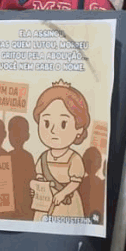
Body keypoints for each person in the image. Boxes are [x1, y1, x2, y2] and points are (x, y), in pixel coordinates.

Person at [30, 80, 90, 220]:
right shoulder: (43, 158)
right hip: (45, 204)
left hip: (67, 204)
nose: (52, 130)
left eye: (63, 124)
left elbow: (75, 182)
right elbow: (40, 177)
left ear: (79, 129)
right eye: (46, 123)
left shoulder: (74, 159)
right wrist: (37, 189)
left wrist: (62, 194)